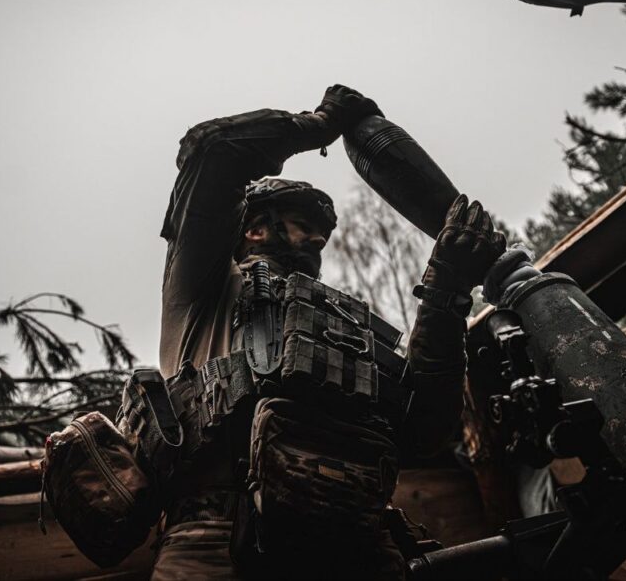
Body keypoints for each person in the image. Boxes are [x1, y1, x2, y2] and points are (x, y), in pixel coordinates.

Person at [152, 85, 505, 580]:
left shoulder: (345, 328)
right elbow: (214, 150)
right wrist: (320, 125)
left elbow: (424, 428)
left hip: (358, 547)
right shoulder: (202, 288)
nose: (320, 238)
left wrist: (446, 292)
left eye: (323, 232)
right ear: (254, 229)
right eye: (303, 223)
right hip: (218, 542)